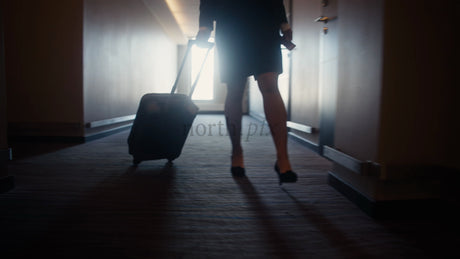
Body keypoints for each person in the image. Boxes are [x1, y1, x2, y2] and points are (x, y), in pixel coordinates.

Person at [196, 0, 297, 184]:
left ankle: (283, 158)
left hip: (264, 24)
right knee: (235, 90)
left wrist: (283, 22)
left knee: (270, 85)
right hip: (230, 25)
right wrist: (205, 25)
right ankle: (236, 152)